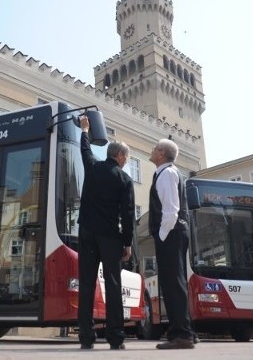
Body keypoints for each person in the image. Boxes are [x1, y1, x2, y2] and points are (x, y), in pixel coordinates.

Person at [77, 115, 135, 350]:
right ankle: (115, 337)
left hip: (87, 233)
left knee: (87, 284)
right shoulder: (124, 179)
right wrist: (127, 243)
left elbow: (85, 150)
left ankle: (86, 337)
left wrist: (84, 130)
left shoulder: (92, 167)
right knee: (112, 284)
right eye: (127, 157)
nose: (126, 160)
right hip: (110, 236)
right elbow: (128, 213)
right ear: (120, 156)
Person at [149, 138, 196, 349]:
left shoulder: (166, 174)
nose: (151, 151)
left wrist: (161, 234)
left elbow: (170, 210)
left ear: (161, 153)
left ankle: (182, 334)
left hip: (171, 232)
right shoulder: (169, 173)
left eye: (154, 148)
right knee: (175, 282)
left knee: (172, 283)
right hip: (176, 232)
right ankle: (185, 331)